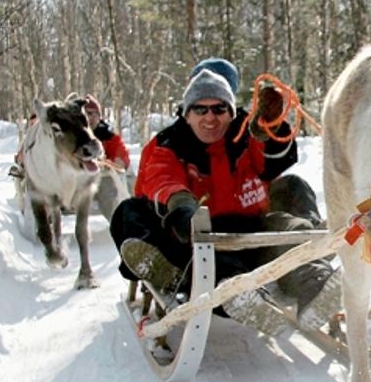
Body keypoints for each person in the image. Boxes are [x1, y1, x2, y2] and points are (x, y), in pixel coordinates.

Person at [110, 62, 336, 335]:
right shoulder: (169, 142)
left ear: (231, 112)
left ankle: (315, 286)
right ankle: (237, 295)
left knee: (289, 231)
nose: (210, 117)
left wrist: (271, 128)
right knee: (203, 257)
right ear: (187, 114)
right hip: (202, 235)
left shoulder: (243, 131)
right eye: (200, 109)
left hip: (253, 227)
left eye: (219, 109)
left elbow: (271, 160)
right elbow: (161, 176)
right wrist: (181, 204)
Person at [83, 94, 131, 218]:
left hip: (100, 183)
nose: (90, 118)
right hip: (74, 183)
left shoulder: (109, 138)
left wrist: (112, 163)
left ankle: (120, 229)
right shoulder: (70, 137)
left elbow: (121, 159)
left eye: (94, 114)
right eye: (87, 113)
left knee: (109, 187)